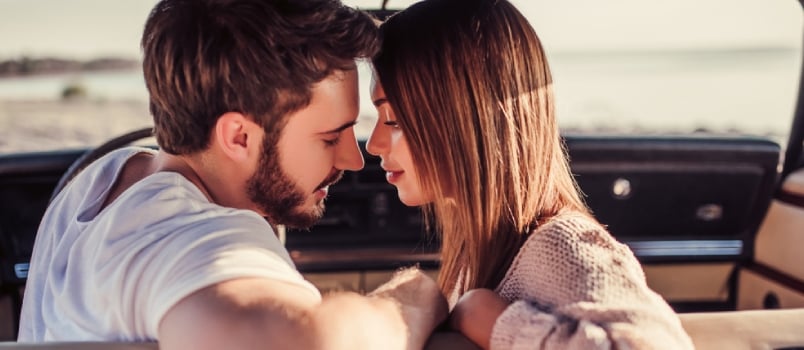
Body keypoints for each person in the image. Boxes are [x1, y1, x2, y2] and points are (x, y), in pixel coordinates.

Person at [17, 0, 447, 349]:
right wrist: (416, 296)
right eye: (330, 137)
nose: (354, 160)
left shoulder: (103, 178)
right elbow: (303, 342)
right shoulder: (196, 235)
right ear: (239, 136)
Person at [366, 0, 695, 348]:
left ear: (466, 121)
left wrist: (487, 317)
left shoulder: (560, 245)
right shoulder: (477, 249)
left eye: (393, 121)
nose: (373, 144)